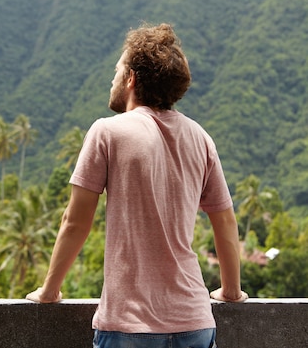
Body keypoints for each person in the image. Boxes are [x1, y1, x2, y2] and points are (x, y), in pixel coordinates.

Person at [26, 23, 248, 348]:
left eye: (117, 69)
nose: (112, 77)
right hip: (195, 323)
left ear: (132, 78)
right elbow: (225, 221)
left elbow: (75, 222)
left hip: (129, 326)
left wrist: (49, 291)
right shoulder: (200, 138)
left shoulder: (107, 132)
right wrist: (230, 291)